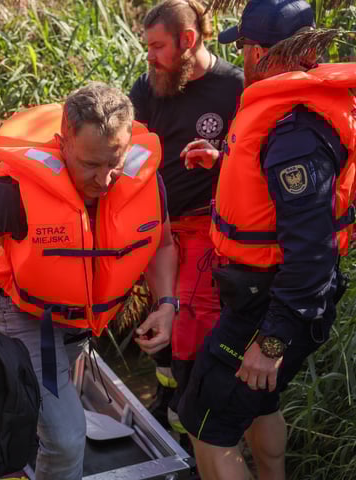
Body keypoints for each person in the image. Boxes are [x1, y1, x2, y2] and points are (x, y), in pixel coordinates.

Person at [0, 82, 179, 480]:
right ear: (63, 143)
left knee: (48, 416)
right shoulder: (13, 194)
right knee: (66, 437)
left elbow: (162, 244)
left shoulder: (144, 182)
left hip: (80, 324)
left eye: (115, 162)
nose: (106, 180)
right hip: (24, 315)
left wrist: (166, 304)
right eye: (91, 165)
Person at [177, 1, 356, 478]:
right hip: (271, 295)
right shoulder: (295, 121)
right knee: (258, 402)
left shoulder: (294, 130)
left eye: (245, 47)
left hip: (273, 303)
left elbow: (312, 253)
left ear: (259, 52)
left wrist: (272, 341)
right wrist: (224, 164)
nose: (243, 58)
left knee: (207, 423)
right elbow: (285, 201)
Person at [128, 0, 244, 432]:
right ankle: (167, 392)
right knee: (159, 319)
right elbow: (130, 147)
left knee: (189, 325)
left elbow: (256, 161)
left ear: (188, 40)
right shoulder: (148, 87)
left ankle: (189, 431)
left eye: (158, 46)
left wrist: (221, 159)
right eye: (147, 46)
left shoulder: (232, 87)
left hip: (202, 229)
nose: (150, 56)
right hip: (154, 227)